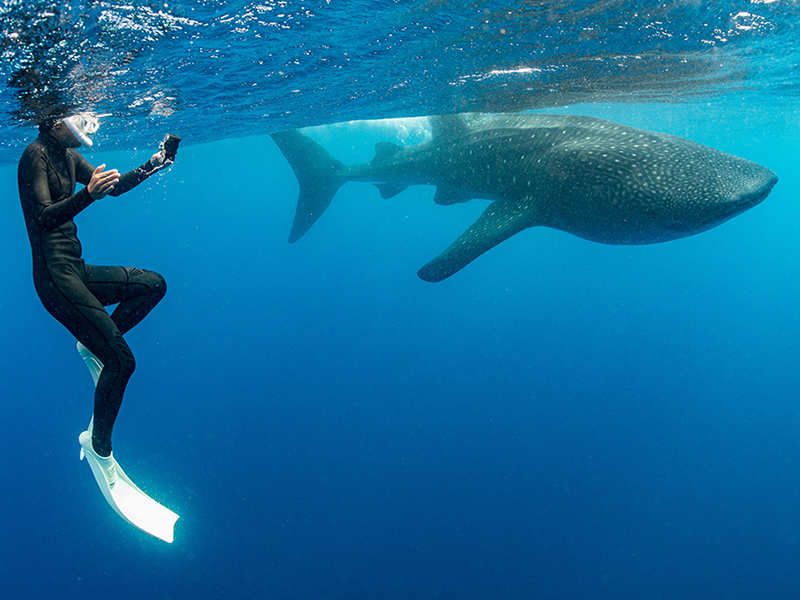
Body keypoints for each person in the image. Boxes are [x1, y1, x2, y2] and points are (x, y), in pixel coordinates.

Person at [17, 112, 177, 460]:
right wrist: (88, 195)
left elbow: (114, 188)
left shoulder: (67, 156)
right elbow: (44, 217)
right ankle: (98, 445)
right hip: (54, 280)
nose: (90, 127)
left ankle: (94, 344)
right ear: (56, 123)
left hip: (75, 269)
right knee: (121, 361)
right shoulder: (35, 155)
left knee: (152, 285)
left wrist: (155, 163)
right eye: (82, 120)